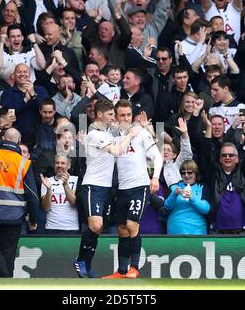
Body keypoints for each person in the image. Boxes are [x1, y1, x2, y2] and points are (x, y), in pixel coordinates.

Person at [73, 99, 141, 278]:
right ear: (99, 115)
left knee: (99, 228)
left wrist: (142, 128)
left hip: (106, 188)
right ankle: (81, 260)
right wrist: (131, 134)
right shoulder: (96, 134)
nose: (114, 118)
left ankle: (86, 264)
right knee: (96, 225)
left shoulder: (105, 132)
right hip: (93, 186)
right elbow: (117, 151)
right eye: (111, 114)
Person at [102, 99, 162, 279]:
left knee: (131, 224)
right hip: (122, 189)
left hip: (140, 186)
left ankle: (134, 268)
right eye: (122, 115)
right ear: (116, 116)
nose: (126, 118)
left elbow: (157, 157)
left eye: (129, 115)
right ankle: (121, 271)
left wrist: (156, 177)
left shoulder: (142, 134)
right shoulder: (112, 135)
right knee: (121, 228)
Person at [0, 128, 39, 278]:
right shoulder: (24, 163)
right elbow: (32, 195)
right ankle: (7, 280)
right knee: (9, 250)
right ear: (19, 142)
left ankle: (4, 278)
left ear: (3, 139)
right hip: (14, 216)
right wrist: (33, 219)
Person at [164, 160, 211, 235]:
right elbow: (167, 206)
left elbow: (206, 209)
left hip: (197, 230)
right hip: (175, 229)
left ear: (195, 173)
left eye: (189, 172)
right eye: (183, 173)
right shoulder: (174, 187)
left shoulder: (202, 187)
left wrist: (192, 197)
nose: (186, 175)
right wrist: (174, 194)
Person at [40, 155, 80, 234]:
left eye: (63, 163)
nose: (59, 165)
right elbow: (46, 207)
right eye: (57, 163)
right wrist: (48, 189)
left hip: (72, 227)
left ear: (69, 165)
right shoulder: (47, 181)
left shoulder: (76, 180)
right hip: (52, 227)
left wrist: (65, 185)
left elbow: (74, 202)